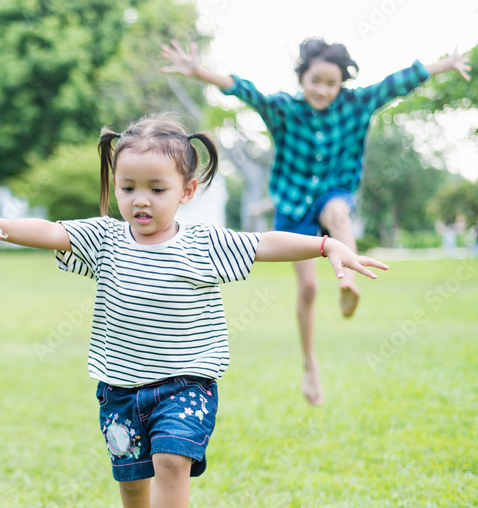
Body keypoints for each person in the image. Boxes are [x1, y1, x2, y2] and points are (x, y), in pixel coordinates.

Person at [0, 115, 388, 508]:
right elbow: (51, 231)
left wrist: (326, 245)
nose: (141, 200)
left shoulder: (204, 243)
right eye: (128, 187)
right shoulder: (105, 240)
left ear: (187, 191)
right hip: (120, 390)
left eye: (157, 188)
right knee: (133, 480)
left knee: (172, 461)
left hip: (186, 384)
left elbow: (265, 244)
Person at [161, 38, 471, 405]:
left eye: (331, 83)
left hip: (335, 192)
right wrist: (198, 71)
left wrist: (445, 64)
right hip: (293, 205)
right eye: (315, 81)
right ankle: (310, 364)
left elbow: (399, 81)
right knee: (307, 290)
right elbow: (245, 90)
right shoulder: (284, 110)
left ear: (342, 84)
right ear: (302, 78)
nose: (323, 90)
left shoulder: (356, 104)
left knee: (338, 214)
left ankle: (348, 283)